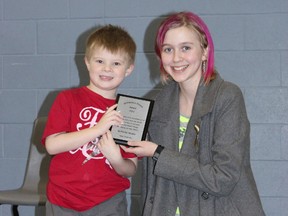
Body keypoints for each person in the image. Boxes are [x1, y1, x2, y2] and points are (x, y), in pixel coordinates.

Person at [122, 11, 266, 216]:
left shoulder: (227, 97)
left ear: (205, 51)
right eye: (168, 49)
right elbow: (149, 184)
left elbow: (222, 179)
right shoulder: (155, 105)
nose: (176, 58)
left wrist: (158, 152)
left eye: (186, 48)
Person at [41, 24, 137, 216]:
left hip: (108, 202)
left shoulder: (130, 111)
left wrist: (116, 158)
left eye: (116, 63)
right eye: (100, 61)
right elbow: (52, 145)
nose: (107, 69)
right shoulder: (67, 99)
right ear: (87, 62)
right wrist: (97, 129)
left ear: (128, 69)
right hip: (62, 199)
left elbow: (130, 169)